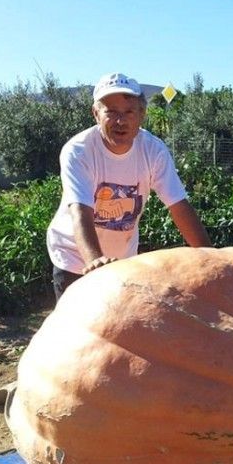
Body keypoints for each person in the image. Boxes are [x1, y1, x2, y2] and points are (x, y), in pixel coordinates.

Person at [46, 72, 211, 302]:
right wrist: (95, 262)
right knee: (80, 330)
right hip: (75, 258)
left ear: (141, 115)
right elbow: (80, 211)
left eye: (128, 112)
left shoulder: (153, 150)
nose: (120, 121)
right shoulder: (79, 151)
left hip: (122, 261)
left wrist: (211, 259)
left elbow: (178, 204)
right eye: (110, 112)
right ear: (96, 114)